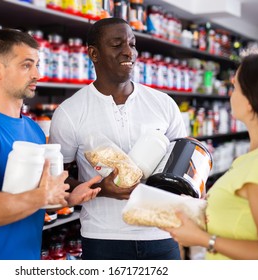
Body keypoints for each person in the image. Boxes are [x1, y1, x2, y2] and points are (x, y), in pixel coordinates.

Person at [0, 29, 101, 260]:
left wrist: (66, 198)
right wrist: (43, 196)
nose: (37, 74)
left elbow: (32, 201)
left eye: (37, 65)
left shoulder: (33, 130)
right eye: (26, 65)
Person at [49, 18, 187, 260]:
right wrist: (103, 189)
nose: (128, 51)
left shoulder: (163, 104)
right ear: (94, 53)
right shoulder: (70, 112)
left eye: (132, 44)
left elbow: (183, 163)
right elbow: (57, 180)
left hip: (161, 235)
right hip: (103, 238)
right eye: (117, 44)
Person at [163, 51, 258, 260]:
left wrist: (201, 238)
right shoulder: (254, 158)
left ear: (250, 101)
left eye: (235, 87)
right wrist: (201, 208)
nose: (231, 94)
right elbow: (241, 218)